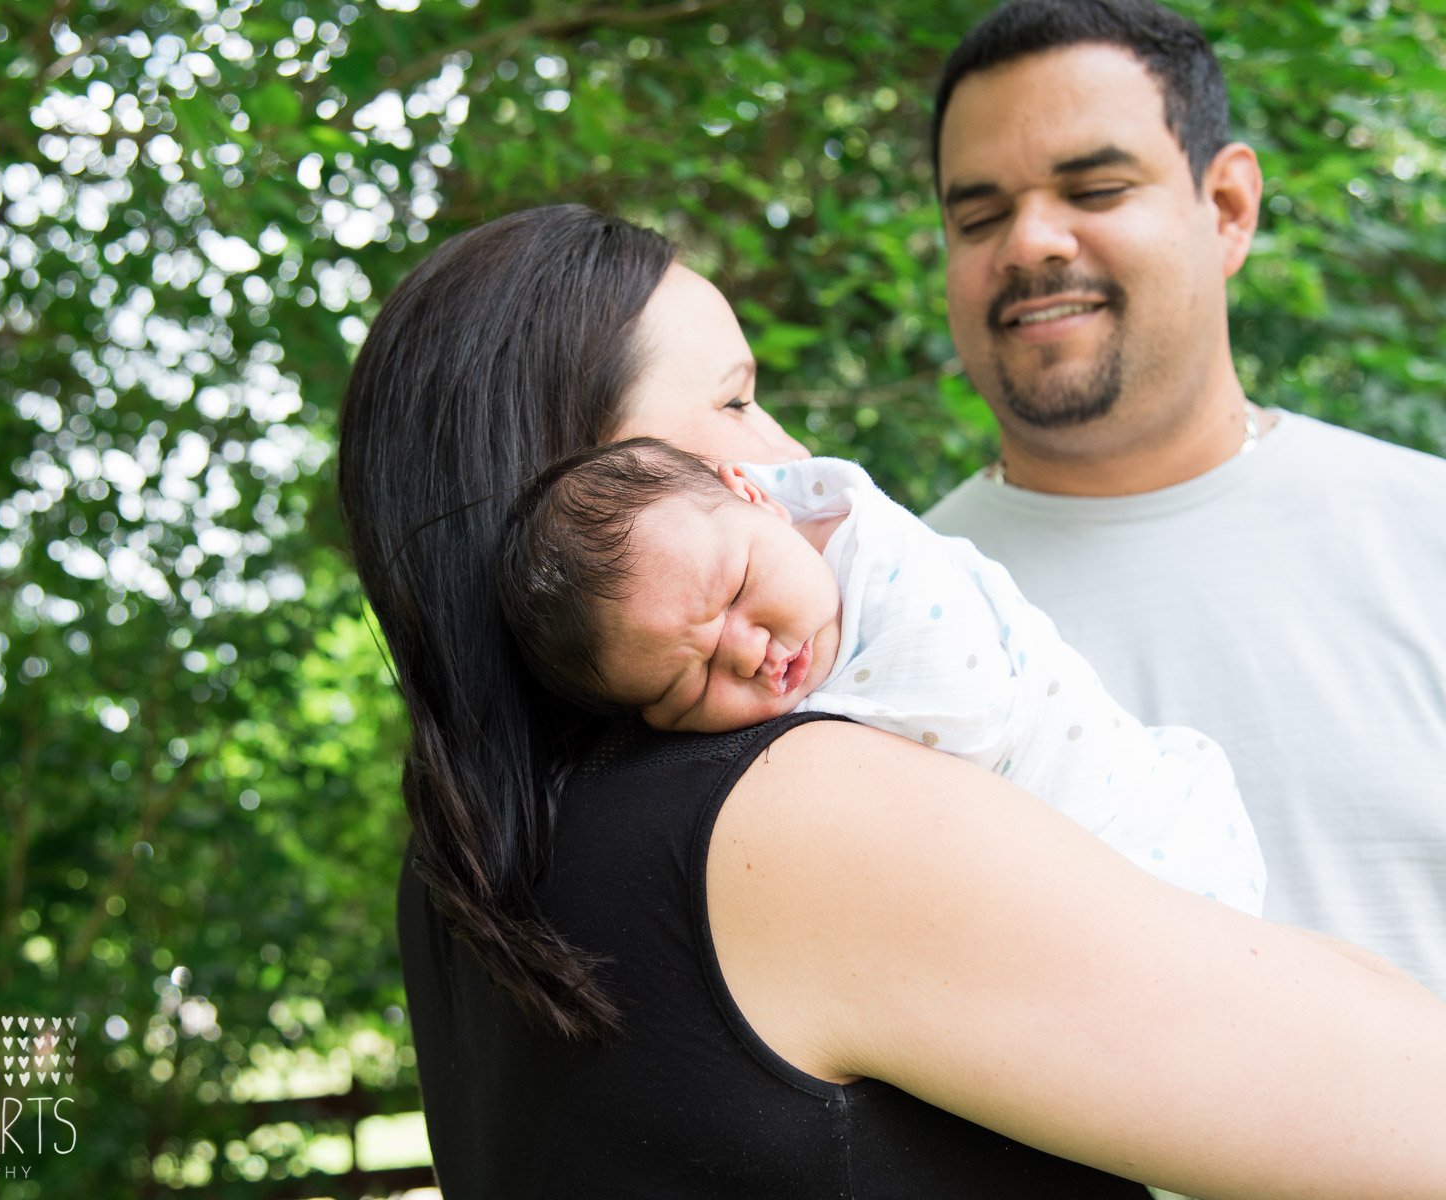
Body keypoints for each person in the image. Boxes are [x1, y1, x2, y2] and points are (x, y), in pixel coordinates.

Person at [336, 204, 1446, 1198]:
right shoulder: (798, 811)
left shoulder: (462, 877)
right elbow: (1404, 1114)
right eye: (736, 402)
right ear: (593, 490)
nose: (788, 452)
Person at [920, 0, 1446, 998]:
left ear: (1229, 209)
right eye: (979, 215)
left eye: (1097, 188)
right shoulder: (894, 625)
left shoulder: (1431, 536)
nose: (1030, 242)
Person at [496, 437, 1264, 913]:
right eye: (689, 682)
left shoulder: (893, 573)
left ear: (758, 498)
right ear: (657, 723)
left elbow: (977, 716)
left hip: (1153, 838)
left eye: (735, 590)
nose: (744, 650)